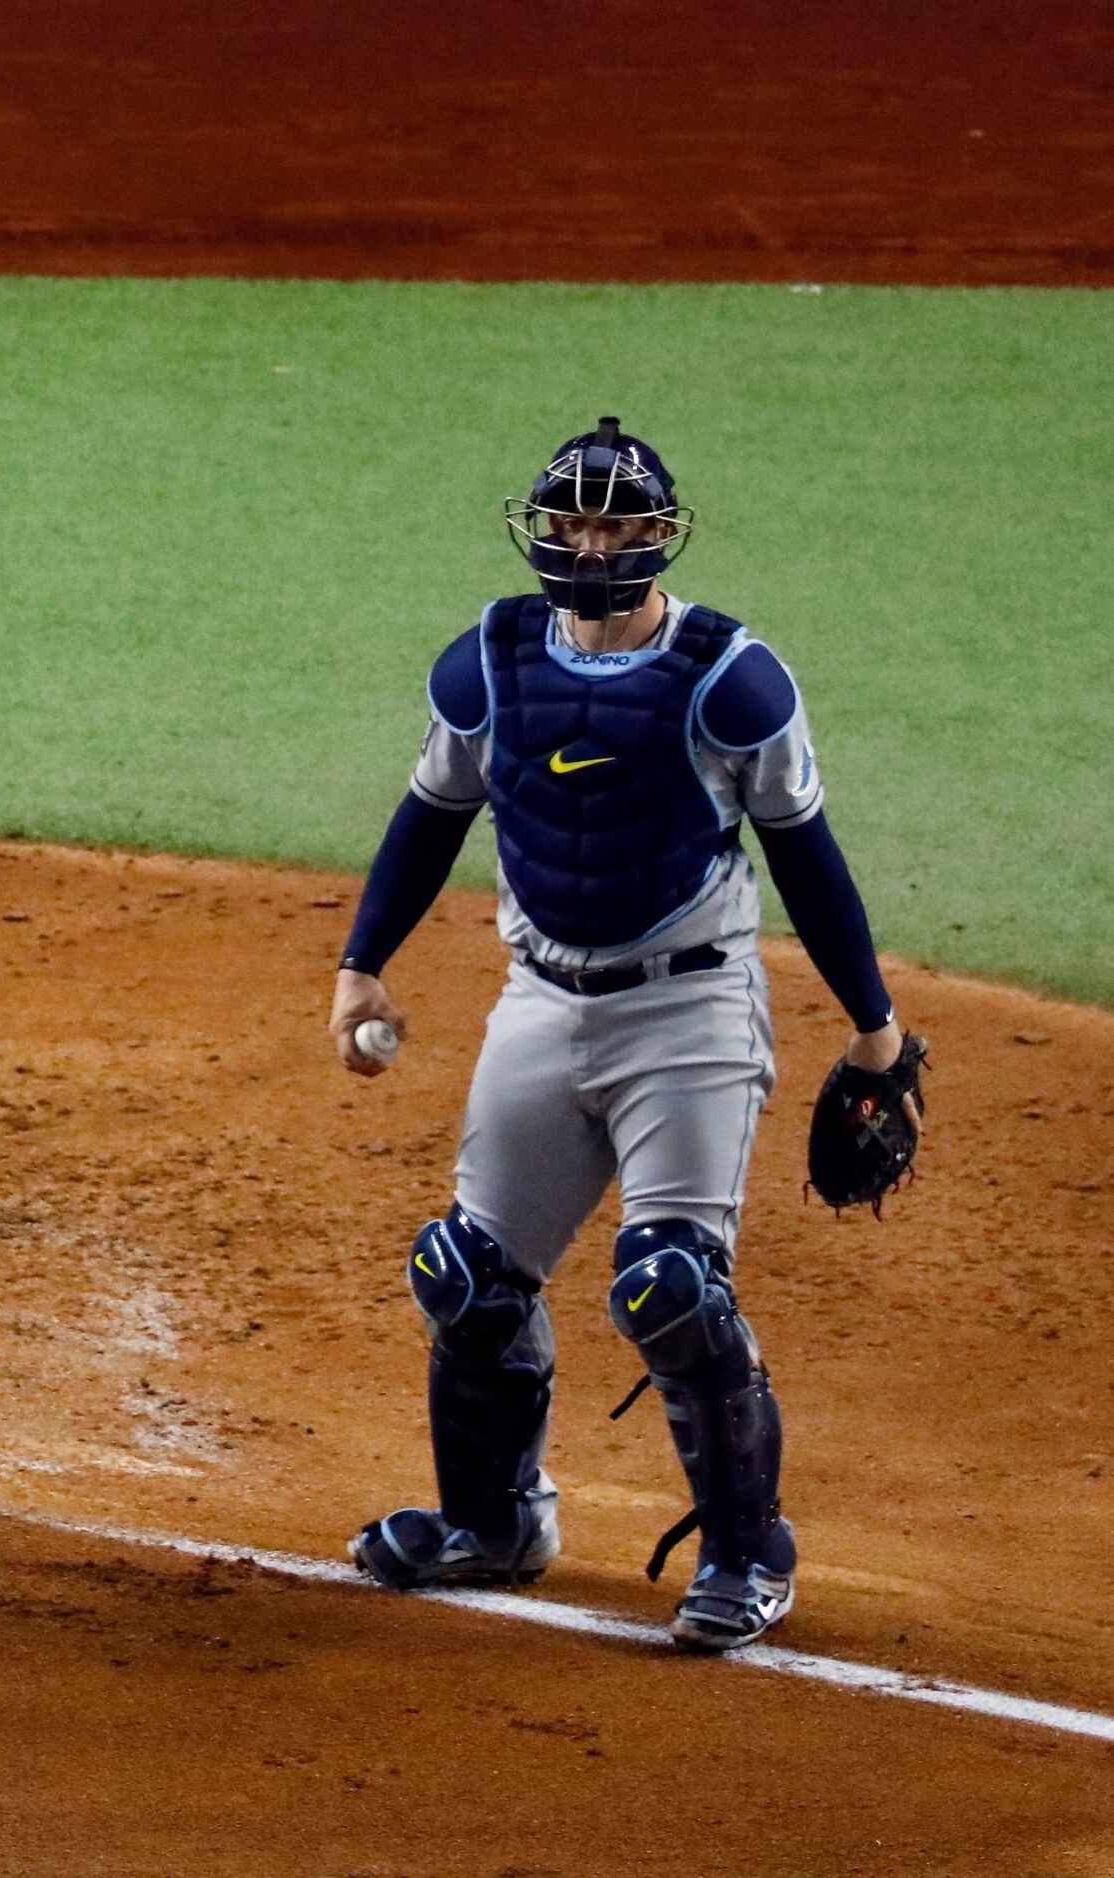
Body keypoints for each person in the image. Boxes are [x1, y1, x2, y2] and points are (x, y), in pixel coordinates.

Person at [327, 417, 917, 1653]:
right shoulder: (486, 663)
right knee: (465, 1276)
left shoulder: (729, 680)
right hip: (540, 997)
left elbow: (808, 859)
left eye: (617, 523)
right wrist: (359, 965)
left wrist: (873, 1029)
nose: (591, 543)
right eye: (573, 520)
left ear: (657, 537)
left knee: (671, 1289)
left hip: (685, 1007)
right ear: (542, 531)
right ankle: (490, 1523)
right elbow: (430, 812)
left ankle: (750, 1554)